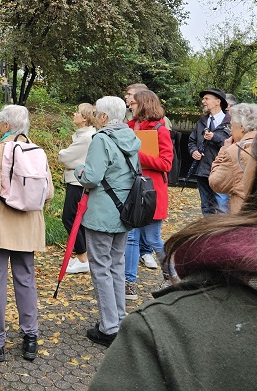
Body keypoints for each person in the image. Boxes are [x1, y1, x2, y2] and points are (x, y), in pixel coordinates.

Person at [90, 77, 257, 390]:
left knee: (150, 238)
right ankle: (134, 280)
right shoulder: (171, 126)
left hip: (157, 194)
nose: (204, 102)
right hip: (186, 184)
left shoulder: (166, 333)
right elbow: (189, 146)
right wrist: (194, 149)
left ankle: (158, 273)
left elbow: (165, 161)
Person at [0, 105, 54, 362]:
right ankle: (30, 338)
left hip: (0, 225)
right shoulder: (37, 151)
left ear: (7, 125)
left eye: (0, 123)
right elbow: (49, 193)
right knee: (26, 280)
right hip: (28, 227)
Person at [75, 96, 139, 347]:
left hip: (103, 214)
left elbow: (91, 177)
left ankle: (109, 327)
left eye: (97, 114)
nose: (94, 118)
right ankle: (119, 319)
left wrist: (79, 170)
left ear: (104, 117)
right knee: (116, 266)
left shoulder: (101, 139)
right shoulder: (132, 138)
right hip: (126, 211)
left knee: (101, 268)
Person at [124, 90, 174, 299]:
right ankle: (129, 282)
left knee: (153, 237)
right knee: (131, 238)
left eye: (133, 103)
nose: (130, 106)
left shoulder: (161, 129)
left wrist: (139, 156)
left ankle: (171, 274)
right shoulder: (129, 127)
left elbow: (166, 164)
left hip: (152, 193)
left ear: (143, 104)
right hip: (133, 190)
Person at [58, 103, 97, 274]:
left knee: (70, 218)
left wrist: (64, 154)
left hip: (77, 182)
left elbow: (65, 156)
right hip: (77, 180)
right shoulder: (83, 135)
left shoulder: (86, 137)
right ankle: (84, 255)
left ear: (85, 118)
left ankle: (83, 257)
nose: (74, 114)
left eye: (78, 112)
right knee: (77, 220)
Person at [209, 102, 257, 214]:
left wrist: (224, 150)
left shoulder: (235, 151)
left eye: (231, 125)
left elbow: (215, 183)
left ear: (242, 127)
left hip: (244, 216)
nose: (230, 131)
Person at [188, 88, 231, 215]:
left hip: (222, 171)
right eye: (203, 99)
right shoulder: (201, 121)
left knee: (222, 209)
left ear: (218, 101)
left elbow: (232, 144)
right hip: (202, 172)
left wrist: (214, 137)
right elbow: (192, 141)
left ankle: (223, 234)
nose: (203, 102)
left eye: (206, 99)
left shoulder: (231, 123)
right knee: (206, 208)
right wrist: (193, 151)